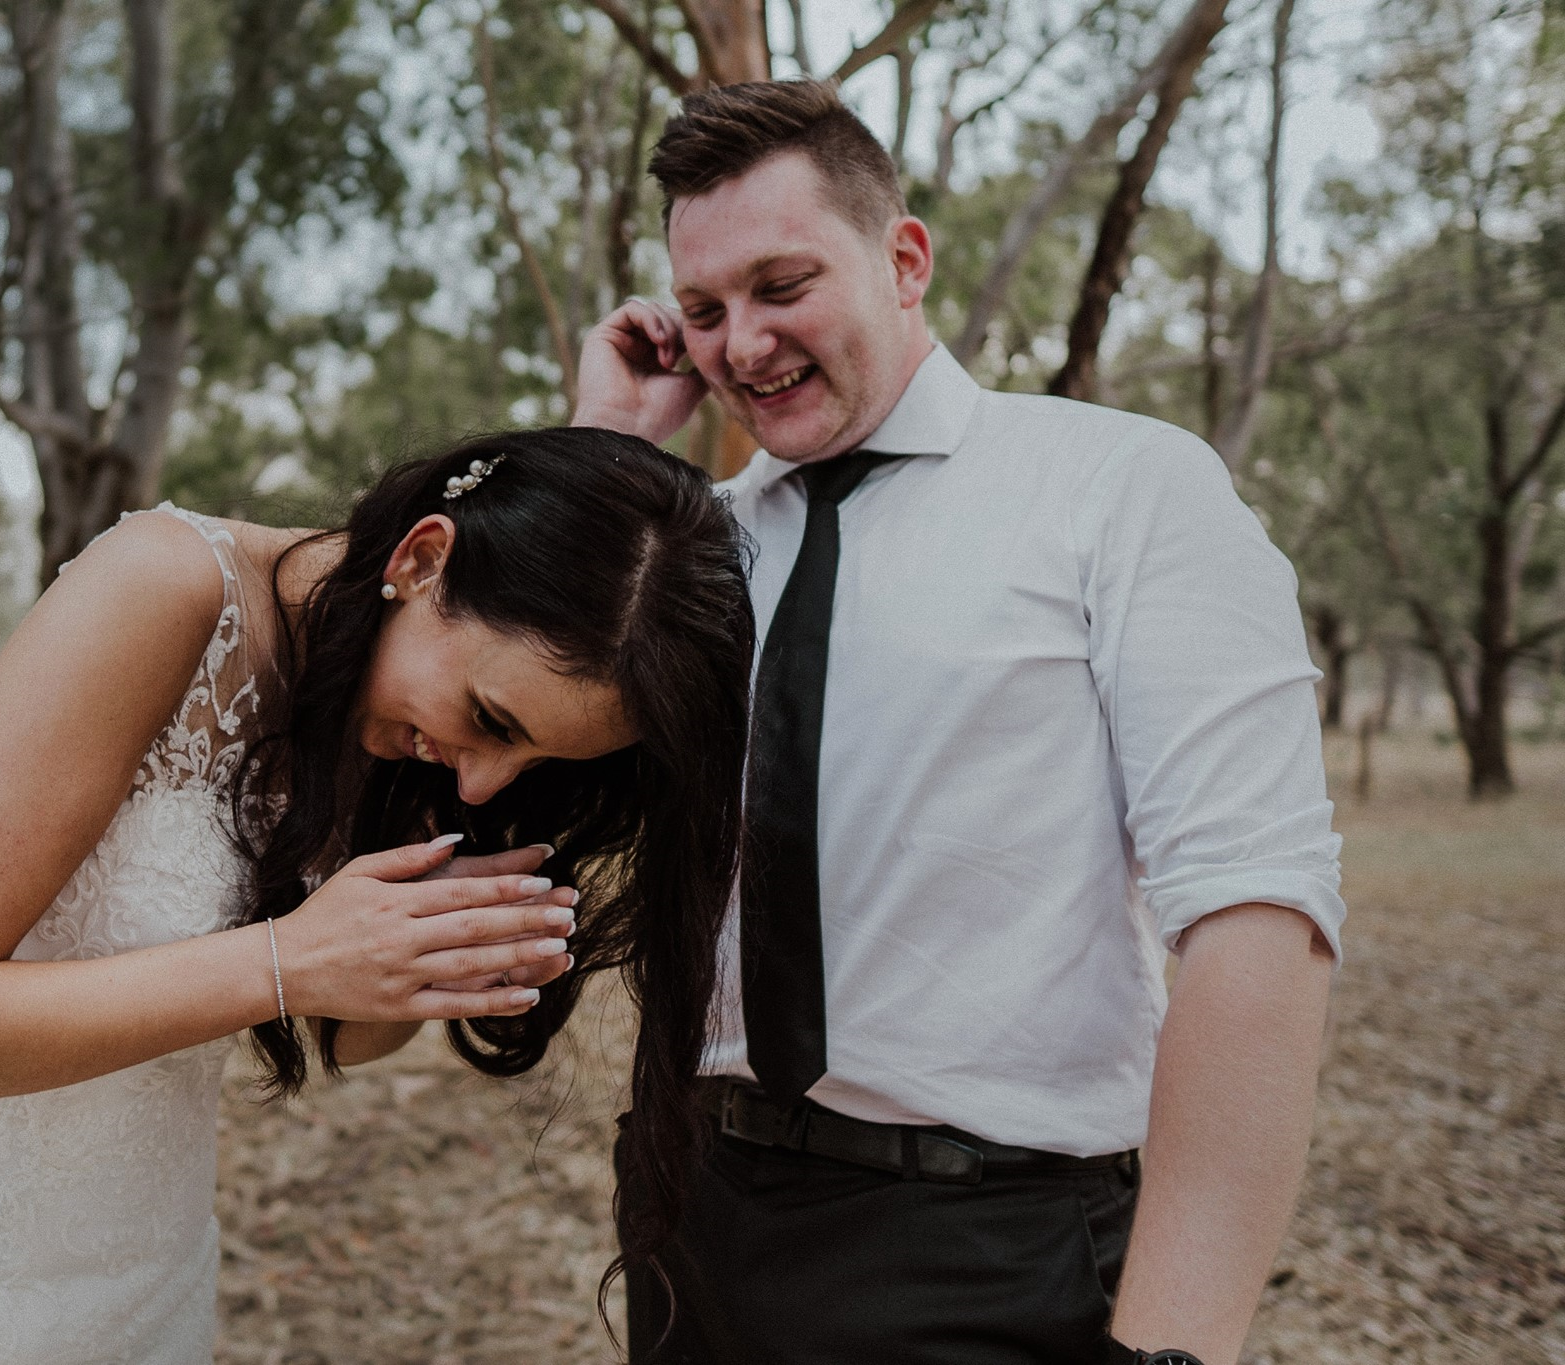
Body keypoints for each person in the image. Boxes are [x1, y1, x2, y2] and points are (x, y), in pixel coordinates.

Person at [573, 80, 1344, 1365]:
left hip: (987, 1241)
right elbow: (527, 760)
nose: (740, 346)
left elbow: (1257, 917)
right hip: (688, 1214)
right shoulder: (684, 550)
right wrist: (600, 454)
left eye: (781, 286)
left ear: (905, 260)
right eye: (702, 311)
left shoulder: (1123, 487)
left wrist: (1167, 1354)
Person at [0, 427, 756, 1363]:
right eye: (490, 720)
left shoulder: (402, 725)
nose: (486, 781)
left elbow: (350, 1040)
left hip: (137, 1283)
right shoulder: (162, 590)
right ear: (420, 559)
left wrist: (417, 941)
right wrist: (286, 960)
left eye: (535, 760)